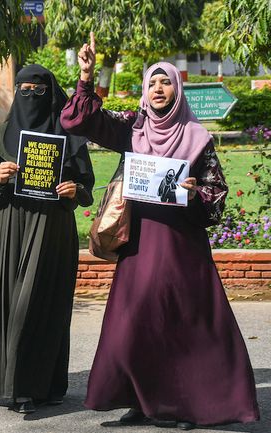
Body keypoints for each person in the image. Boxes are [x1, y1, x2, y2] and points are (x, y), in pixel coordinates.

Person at [61, 33, 259, 430]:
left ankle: (185, 406)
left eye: (165, 81)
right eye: (151, 82)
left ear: (177, 89)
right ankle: (139, 400)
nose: (157, 88)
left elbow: (217, 195)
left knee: (184, 324)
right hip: (140, 243)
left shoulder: (198, 138)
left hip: (183, 246)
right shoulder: (133, 128)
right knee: (134, 323)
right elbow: (80, 121)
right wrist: (85, 76)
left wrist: (195, 193)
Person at [0, 65, 95, 414]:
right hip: (9, 228)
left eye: (39, 90)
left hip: (51, 229)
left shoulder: (69, 136)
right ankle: (13, 385)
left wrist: (74, 189)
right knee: (7, 302)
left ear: (51, 95)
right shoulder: (2, 134)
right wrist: (0, 175)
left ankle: (40, 385)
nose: (31, 96)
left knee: (40, 304)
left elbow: (87, 186)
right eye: (24, 89)